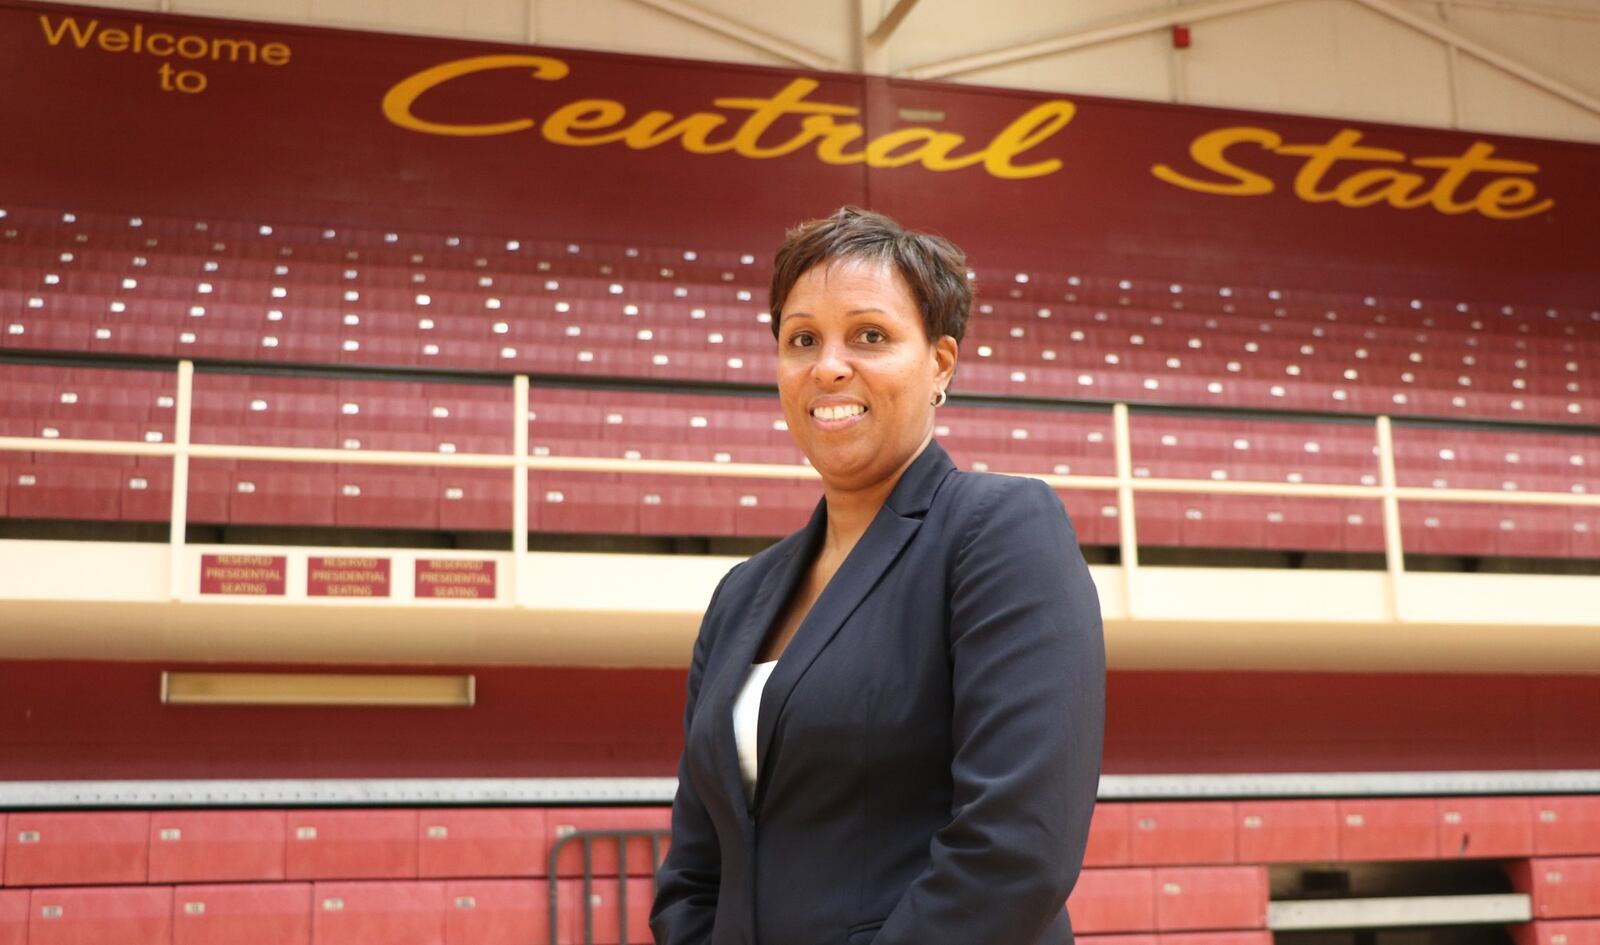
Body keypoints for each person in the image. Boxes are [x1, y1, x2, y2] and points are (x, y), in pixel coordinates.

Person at [650, 206, 1105, 945]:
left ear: (941, 363)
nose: (828, 365)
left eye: (870, 335)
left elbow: (1016, 848)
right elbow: (696, 872)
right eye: (802, 339)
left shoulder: (1000, 530)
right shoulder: (740, 596)